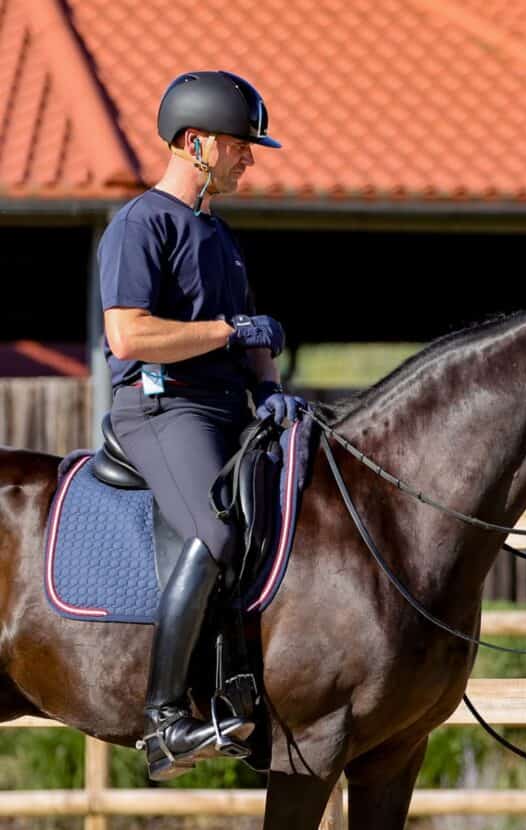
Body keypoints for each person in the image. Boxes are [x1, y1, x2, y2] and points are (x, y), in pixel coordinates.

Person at [98, 70, 305, 781]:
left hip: (228, 405)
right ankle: (164, 721)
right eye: (240, 145)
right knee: (215, 530)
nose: (251, 157)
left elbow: (249, 337)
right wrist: (226, 332)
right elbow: (127, 335)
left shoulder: (219, 235)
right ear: (195, 145)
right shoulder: (140, 224)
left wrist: (272, 389)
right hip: (160, 406)